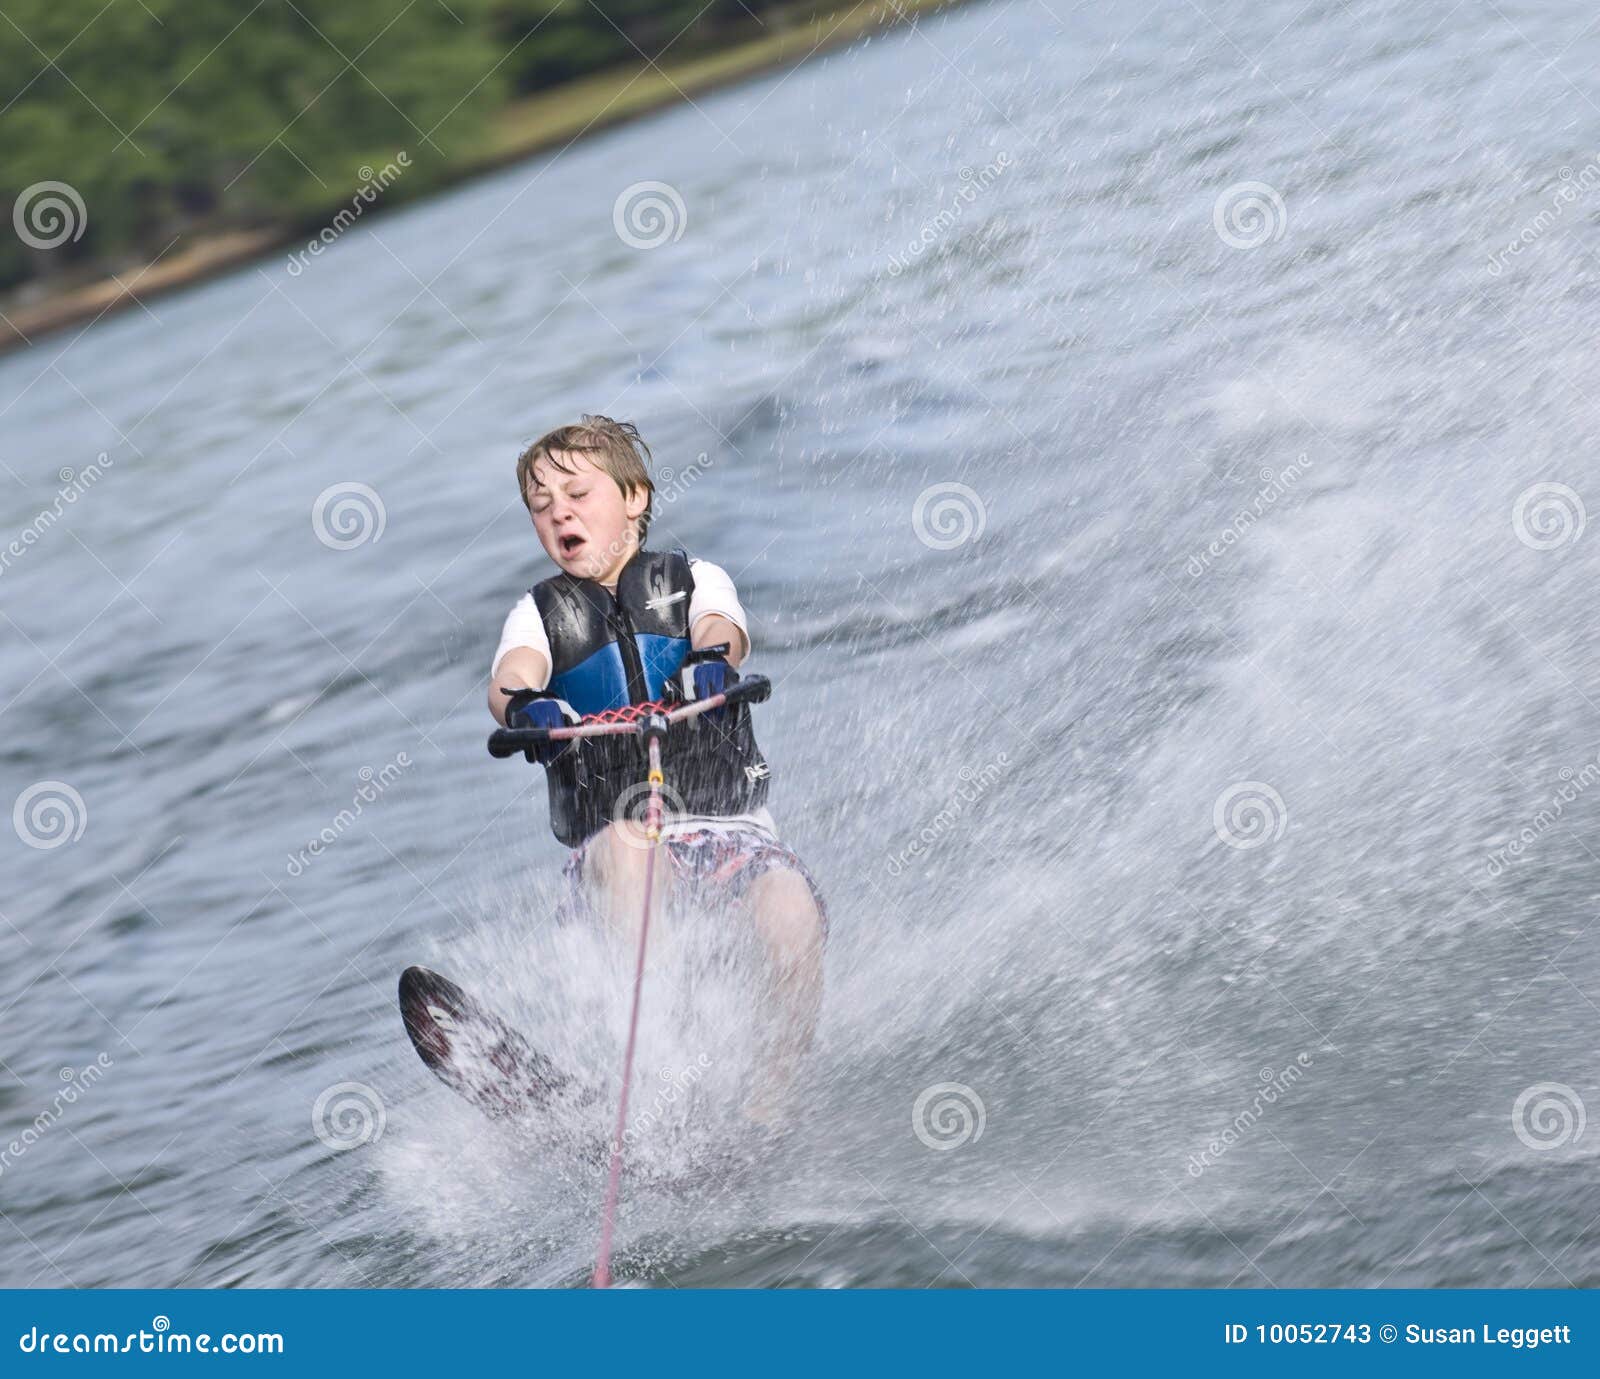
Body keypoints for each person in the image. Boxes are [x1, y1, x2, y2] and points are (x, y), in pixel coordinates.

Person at [487, 415, 825, 1125]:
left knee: (792, 906)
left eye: (577, 493)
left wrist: (709, 662)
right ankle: (666, 1082)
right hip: (621, 851)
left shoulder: (694, 578)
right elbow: (509, 675)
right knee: (625, 849)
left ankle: (769, 1104)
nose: (560, 513)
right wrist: (529, 705)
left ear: (635, 497)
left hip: (729, 837)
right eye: (542, 506)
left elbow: (721, 629)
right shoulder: (537, 614)